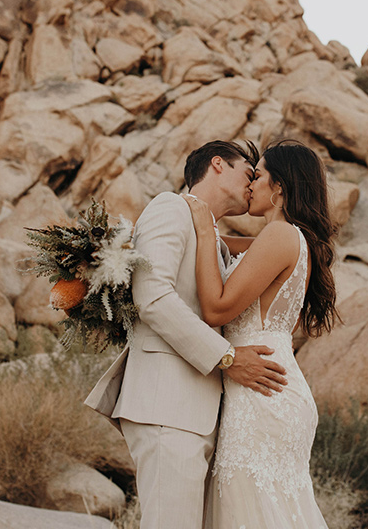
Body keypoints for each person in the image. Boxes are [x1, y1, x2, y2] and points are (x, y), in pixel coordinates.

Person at [84, 140, 288, 529]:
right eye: (249, 173)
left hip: (200, 411)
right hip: (168, 404)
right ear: (217, 165)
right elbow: (153, 296)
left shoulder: (212, 233)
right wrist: (226, 356)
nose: (252, 185)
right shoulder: (170, 207)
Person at [183, 139, 340, 529]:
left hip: (262, 393)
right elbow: (228, 249)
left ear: (281, 188)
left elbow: (217, 308)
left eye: (259, 176)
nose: (251, 185)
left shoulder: (280, 235)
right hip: (268, 386)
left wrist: (205, 233)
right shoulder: (284, 239)